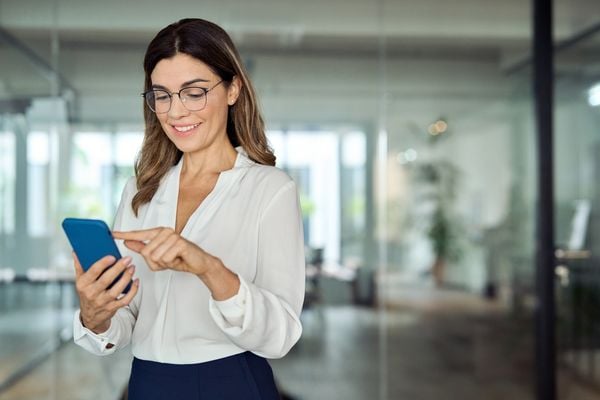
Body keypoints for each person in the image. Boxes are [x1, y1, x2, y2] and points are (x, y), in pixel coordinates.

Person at [72, 18, 305, 400]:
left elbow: (279, 335)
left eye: (193, 92)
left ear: (232, 90)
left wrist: (208, 268)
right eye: (161, 95)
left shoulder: (270, 190)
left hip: (232, 382)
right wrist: (95, 315)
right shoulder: (140, 191)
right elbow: (127, 319)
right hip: (147, 382)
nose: (176, 112)